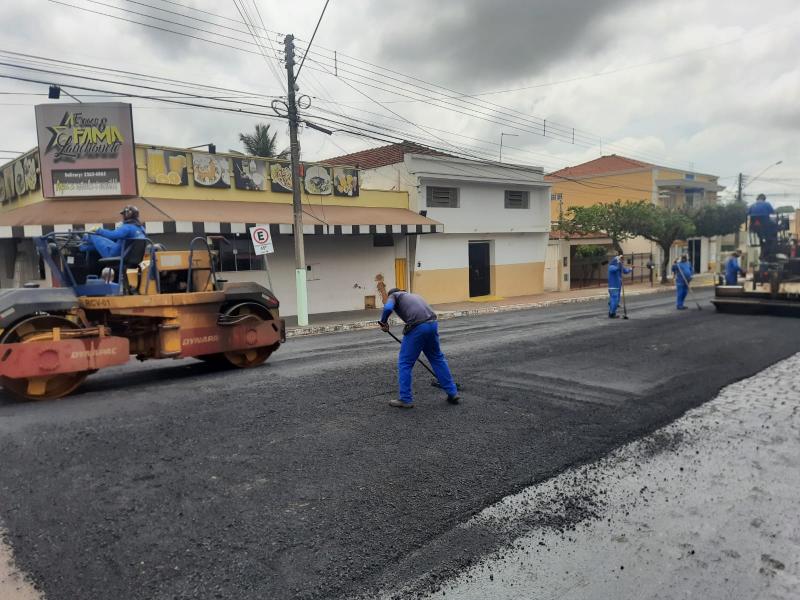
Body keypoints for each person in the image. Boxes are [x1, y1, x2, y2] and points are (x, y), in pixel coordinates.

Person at [378, 288, 459, 408]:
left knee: (405, 362)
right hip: (432, 324)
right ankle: (452, 392)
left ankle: (405, 399)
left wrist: (383, 322)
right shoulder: (413, 296)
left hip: (418, 328)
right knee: (437, 358)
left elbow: (388, 307)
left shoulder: (394, 296)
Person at [80, 205, 146, 258]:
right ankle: (82, 247)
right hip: (128, 255)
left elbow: (112, 235)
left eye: (123, 214)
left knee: (93, 236)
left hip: (114, 254)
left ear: (127, 215)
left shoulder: (127, 227)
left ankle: (82, 239)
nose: (122, 216)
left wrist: (98, 230)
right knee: (97, 244)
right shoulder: (141, 228)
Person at [607, 252, 631, 318]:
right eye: (620, 259)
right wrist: (619, 265)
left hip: (618, 286)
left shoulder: (619, 266)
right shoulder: (611, 267)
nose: (621, 261)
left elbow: (625, 271)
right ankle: (611, 313)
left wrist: (631, 269)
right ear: (616, 260)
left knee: (616, 301)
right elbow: (616, 269)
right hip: (613, 287)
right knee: (615, 300)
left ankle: (612, 312)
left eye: (622, 260)